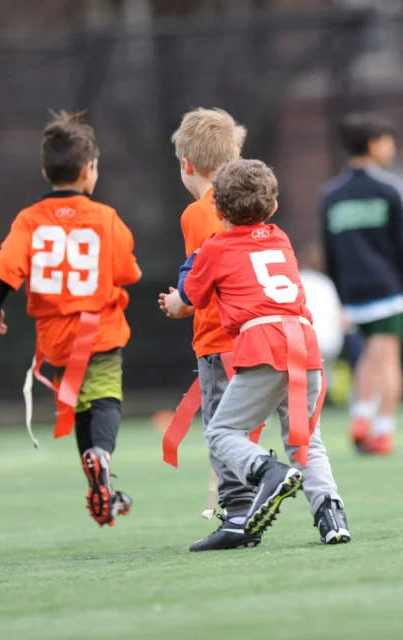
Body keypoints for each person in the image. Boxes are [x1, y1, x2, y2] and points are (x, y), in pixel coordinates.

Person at [165, 158, 351, 545]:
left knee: (221, 432)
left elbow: (189, 300)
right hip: (305, 342)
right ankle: (331, 516)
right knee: (305, 438)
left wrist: (173, 300)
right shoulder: (281, 238)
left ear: (217, 209)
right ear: (273, 208)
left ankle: (267, 471)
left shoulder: (216, 246)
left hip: (263, 345)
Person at [0, 111, 142, 526]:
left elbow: (5, 269)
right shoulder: (106, 217)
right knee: (104, 400)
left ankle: (99, 488)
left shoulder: (29, 220)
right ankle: (101, 457)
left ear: (45, 171)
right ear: (89, 171)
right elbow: (128, 272)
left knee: (78, 406)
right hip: (100, 331)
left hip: (57, 338)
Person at [158, 107, 264, 552]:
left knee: (221, 429)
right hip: (258, 334)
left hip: (219, 338)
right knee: (245, 426)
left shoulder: (197, 212)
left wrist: (181, 301)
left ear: (187, 165)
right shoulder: (248, 204)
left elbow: (201, 275)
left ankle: (239, 513)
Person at [322, 112, 403, 456]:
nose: (391, 148)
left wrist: (341, 295)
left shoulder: (331, 195)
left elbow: (329, 252)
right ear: (374, 144)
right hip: (389, 288)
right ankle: (383, 431)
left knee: (368, 355)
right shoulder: (390, 189)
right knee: (388, 357)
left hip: (352, 292)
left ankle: (359, 417)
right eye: (387, 141)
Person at [298, 243, 346, 389]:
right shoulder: (327, 283)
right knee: (320, 376)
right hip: (332, 342)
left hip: (307, 341)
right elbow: (341, 317)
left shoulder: (299, 280)